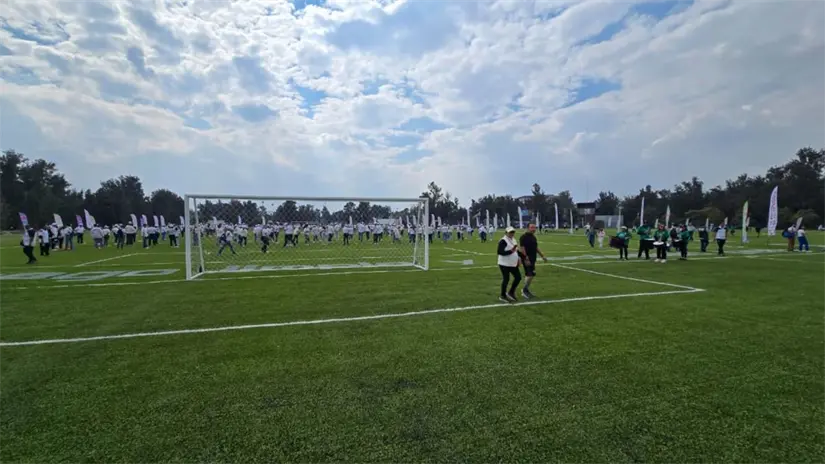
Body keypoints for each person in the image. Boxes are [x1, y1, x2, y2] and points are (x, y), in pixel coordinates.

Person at [518, 223, 548, 299]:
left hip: (533, 258)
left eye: (534, 227)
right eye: (531, 227)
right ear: (528, 228)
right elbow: (522, 248)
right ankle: (524, 290)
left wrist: (542, 256)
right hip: (527, 259)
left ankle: (526, 290)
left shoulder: (533, 237)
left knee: (530, 275)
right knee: (530, 274)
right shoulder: (523, 237)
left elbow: (536, 248)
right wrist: (526, 259)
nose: (533, 229)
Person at [497, 226, 524, 303]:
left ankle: (511, 292)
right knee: (506, 279)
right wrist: (511, 251)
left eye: (513, 232)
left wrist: (523, 257)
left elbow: (516, 251)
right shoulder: (503, 241)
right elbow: (500, 252)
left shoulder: (513, 240)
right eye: (510, 232)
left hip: (512, 263)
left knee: (518, 277)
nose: (512, 233)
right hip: (504, 264)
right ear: (506, 233)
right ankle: (503, 295)